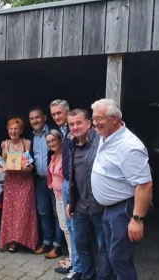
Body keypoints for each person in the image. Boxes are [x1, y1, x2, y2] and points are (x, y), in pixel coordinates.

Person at [91, 99, 153, 280]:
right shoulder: (105, 136)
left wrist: (137, 219)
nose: (95, 123)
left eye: (99, 118)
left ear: (115, 118)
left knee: (119, 259)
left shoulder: (129, 147)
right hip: (109, 210)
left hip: (124, 210)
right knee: (112, 257)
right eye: (93, 118)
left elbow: (145, 185)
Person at [66, 109, 112, 280]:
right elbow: (73, 176)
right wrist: (72, 201)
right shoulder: (71, 145)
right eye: (72, 124)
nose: (75, 127)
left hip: (101, 207)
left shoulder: (101, 142)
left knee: (104, 247)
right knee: (81, 244)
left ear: (89, 123)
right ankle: (87, 276)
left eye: (79, 123)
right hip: (81, 207)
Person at [50, 99, 82, 278]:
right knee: (67, 226)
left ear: (67, 111)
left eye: (59, 113)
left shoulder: (73, 132)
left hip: (72, 184)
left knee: (73, 227)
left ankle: (77, 267)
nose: (56, 117)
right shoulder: (63, 132)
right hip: (65, 184)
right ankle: (73, 262)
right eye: (53, 114)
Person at [0, 117, 38, 253]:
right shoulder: (5, 144)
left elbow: (29, 165)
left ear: (21, 130)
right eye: (11, 129)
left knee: (25, 212)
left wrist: (26, 168)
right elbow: (2, 164)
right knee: (11, 212)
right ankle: (12, 241)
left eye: (16, 128)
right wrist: (3, 168)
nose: (13, 131)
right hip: (11, 181)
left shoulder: (27, 143)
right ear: (8, 130)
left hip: (24, 181)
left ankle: (28, 240)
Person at [29, 107, 64, 256]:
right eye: (32, 118)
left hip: (55, 178)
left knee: (58, 213)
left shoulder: (55, 133)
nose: (35, 121)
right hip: (39, 179)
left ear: (44, 117)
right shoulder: (29, 137)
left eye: (37, 117)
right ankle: (46, 242)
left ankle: (58, 245)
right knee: (43, 212)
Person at [46, 129, 73, 276]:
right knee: (64, 226)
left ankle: (74, 261)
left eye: (53, 140)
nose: (51, 143)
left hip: (66, 197)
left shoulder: (66, 156)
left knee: (69, 229)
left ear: (60, 140)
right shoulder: (54, 155)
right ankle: (72, 258)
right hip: (57, 195)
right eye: (49, 142)